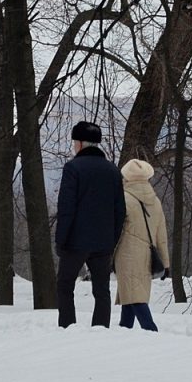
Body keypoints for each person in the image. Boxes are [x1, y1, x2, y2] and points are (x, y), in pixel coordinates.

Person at [55, 121, 126, 328]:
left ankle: (68, 328)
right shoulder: (112, 170)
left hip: (75, 242)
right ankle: (101, 330)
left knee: (65, 286)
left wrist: (61, 240)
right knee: (102, 290)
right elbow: (120, 210)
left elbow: (66, 209)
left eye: (74, 142)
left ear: (80, 143)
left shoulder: (73, 168)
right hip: (103, 242)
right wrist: (111, 239)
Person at [114, 158, 170, 332]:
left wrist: (106, 255)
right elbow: (161, 236)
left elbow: (116, 231)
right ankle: (124, 330)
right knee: (130, 295)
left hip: (127, 256)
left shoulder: (123, 199)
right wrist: (166, 264)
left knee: (135, 298)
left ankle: (152, 331)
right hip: (147, 256)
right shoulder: (155, 201)